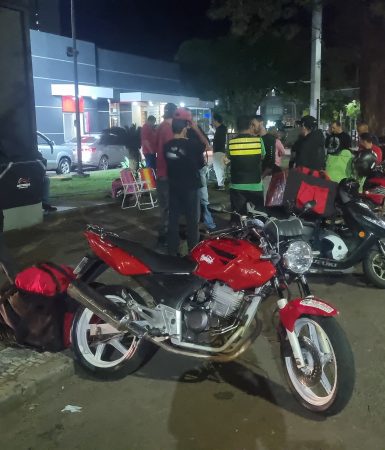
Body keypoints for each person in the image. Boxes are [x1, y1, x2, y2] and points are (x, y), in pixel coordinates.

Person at [164, 117, 202, 256]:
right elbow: (207, 145)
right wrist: (196, 129)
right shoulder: (191, 145)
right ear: (185, 129)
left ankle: (172, 251)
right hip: (190, 187)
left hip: (174, 187)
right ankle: (193, 251)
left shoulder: (166, 146)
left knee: (173, 219)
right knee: (192, 221)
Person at [175, 108, 216, 231]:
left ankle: (207, 223)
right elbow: (207, 145)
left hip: (195, 169)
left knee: (202, 198)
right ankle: (197, 225)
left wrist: (196, 128)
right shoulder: (182, 131)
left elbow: (207, 145)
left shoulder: (191, 130)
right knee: (198, 198)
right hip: (190, 170)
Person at [228, 115, 265, 220]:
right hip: (255, 184)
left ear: (237, 127)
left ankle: (239, 235)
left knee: (238, 217)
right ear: (250, 125)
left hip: (237, 185)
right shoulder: (258, 141)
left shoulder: (231, 143)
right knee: (258, 217)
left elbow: (228, 160)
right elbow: (262, 156)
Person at [155, 103, 177, 248]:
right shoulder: (169, 129)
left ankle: (163, 235)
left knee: (164, 207)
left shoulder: (160, 126)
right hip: (168, 172)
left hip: (160, 171)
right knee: (170, 207)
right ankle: (167, 237)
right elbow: (172, 152)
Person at [212, 114, 227, 190]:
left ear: (216, 120)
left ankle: (221, 185)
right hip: (222, 151)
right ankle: (221, 184)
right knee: (221, 167)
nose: (212, 122)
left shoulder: (220, 129)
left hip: (219, 151)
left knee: (219, 168)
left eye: (213, 120)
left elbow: (219, 141)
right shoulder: (222, 129)